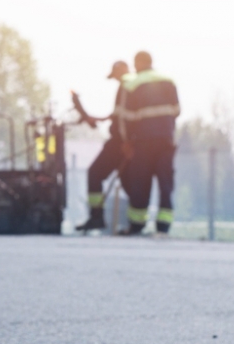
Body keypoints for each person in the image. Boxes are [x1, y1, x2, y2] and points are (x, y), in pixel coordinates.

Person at [119, 51, 180, 235]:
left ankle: (137, 224)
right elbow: (177, 110)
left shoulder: (131, 84)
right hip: (166, 140)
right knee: (165, 183)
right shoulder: (168, 81)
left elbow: (126, 118)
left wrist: (127, 142)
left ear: (137, 63)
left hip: (143, 142)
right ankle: (163, 226)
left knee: (140, 183)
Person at [74, 60, 130, 232]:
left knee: (95, 173)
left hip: (120, 142)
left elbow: (124, 118)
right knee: (129, 181)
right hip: (125, 141)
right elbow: (116, 116)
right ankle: (134, 223)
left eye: (115, 75)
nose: (115, 79)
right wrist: (96, 119)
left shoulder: (127, 86)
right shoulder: (127, 87)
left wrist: (127, 141)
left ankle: (97, 217)